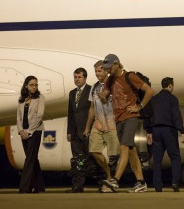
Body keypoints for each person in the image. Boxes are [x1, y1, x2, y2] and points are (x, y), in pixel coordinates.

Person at [99, 54, 154, 193]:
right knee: (131, 150)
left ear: (117, 64)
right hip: (118, 118)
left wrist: (139, 106)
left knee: (123, 146)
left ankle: (115, 180)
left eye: (109, 67)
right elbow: (105, 99)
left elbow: (149, 91)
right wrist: (103, 97)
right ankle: (141, 182)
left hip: (131, 116)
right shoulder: (110, 80)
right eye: (105, 68)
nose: (107, 70)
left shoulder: (129, 76)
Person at [84, 61, 119, 193]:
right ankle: (108, 175)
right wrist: (87, 127)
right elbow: (91, 109)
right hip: (98, 124)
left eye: (100, 71)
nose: (97, 73)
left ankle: (113, 181)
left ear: (106, 71)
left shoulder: (114, 85)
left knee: (113, 156)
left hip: (112, 125)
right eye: (96, 71)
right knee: (93, 150)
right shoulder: (94, 88)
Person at [147, 77, 184, 192]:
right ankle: (175, 183)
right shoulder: (173, 99)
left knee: (157, 160)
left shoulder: (154, 99)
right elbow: (176, 116)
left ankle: (158, 186)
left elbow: (149, 116)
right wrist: (182, 130)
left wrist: (149, 131)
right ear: (170, 86)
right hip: (169, 131)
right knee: (175, 157)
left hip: (156, 131)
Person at [16, 76, 45, 193]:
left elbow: (40, 115)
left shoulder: (40, 98)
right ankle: (39, 186)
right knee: (32, 158)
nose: (34, 87)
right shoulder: (21, 99)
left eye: (36, 85)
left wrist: (29, 131)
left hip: (35, 131)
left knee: (29, 159)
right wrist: (20, 130)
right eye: (32, 85)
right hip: (23, 131)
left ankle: (24, 187)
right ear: (26, 86)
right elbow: (18, 116)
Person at [66, 67, 91, 193]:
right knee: (77, 159)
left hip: (87, 130)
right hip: (75, 131)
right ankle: (77, 185)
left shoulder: (91, 90)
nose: (77, 79)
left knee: (90, 157)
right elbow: (70, 113)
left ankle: (102, 180)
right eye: (75, 77)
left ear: (85, 78)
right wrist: (69, 131)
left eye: (79, 77)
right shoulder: (72, 93)